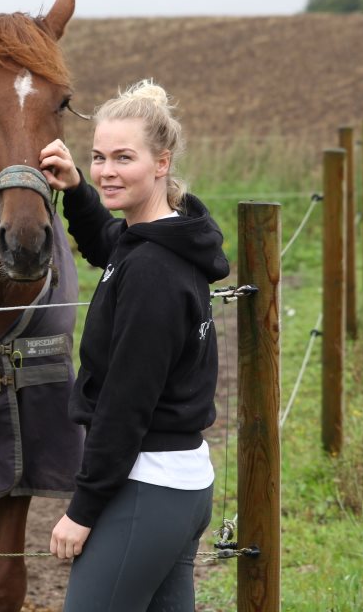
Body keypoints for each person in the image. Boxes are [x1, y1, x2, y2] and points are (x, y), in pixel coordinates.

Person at [40, 79, 230, 611]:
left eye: (124, 157)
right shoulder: (160, 237)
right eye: (98, 157)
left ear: (161, 162)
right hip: (179, 483)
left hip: (147, 486)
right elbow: (112, 246)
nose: (107, 171)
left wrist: (83, 510)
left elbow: (125, 404)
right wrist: (78, 189)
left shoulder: (152, 272)